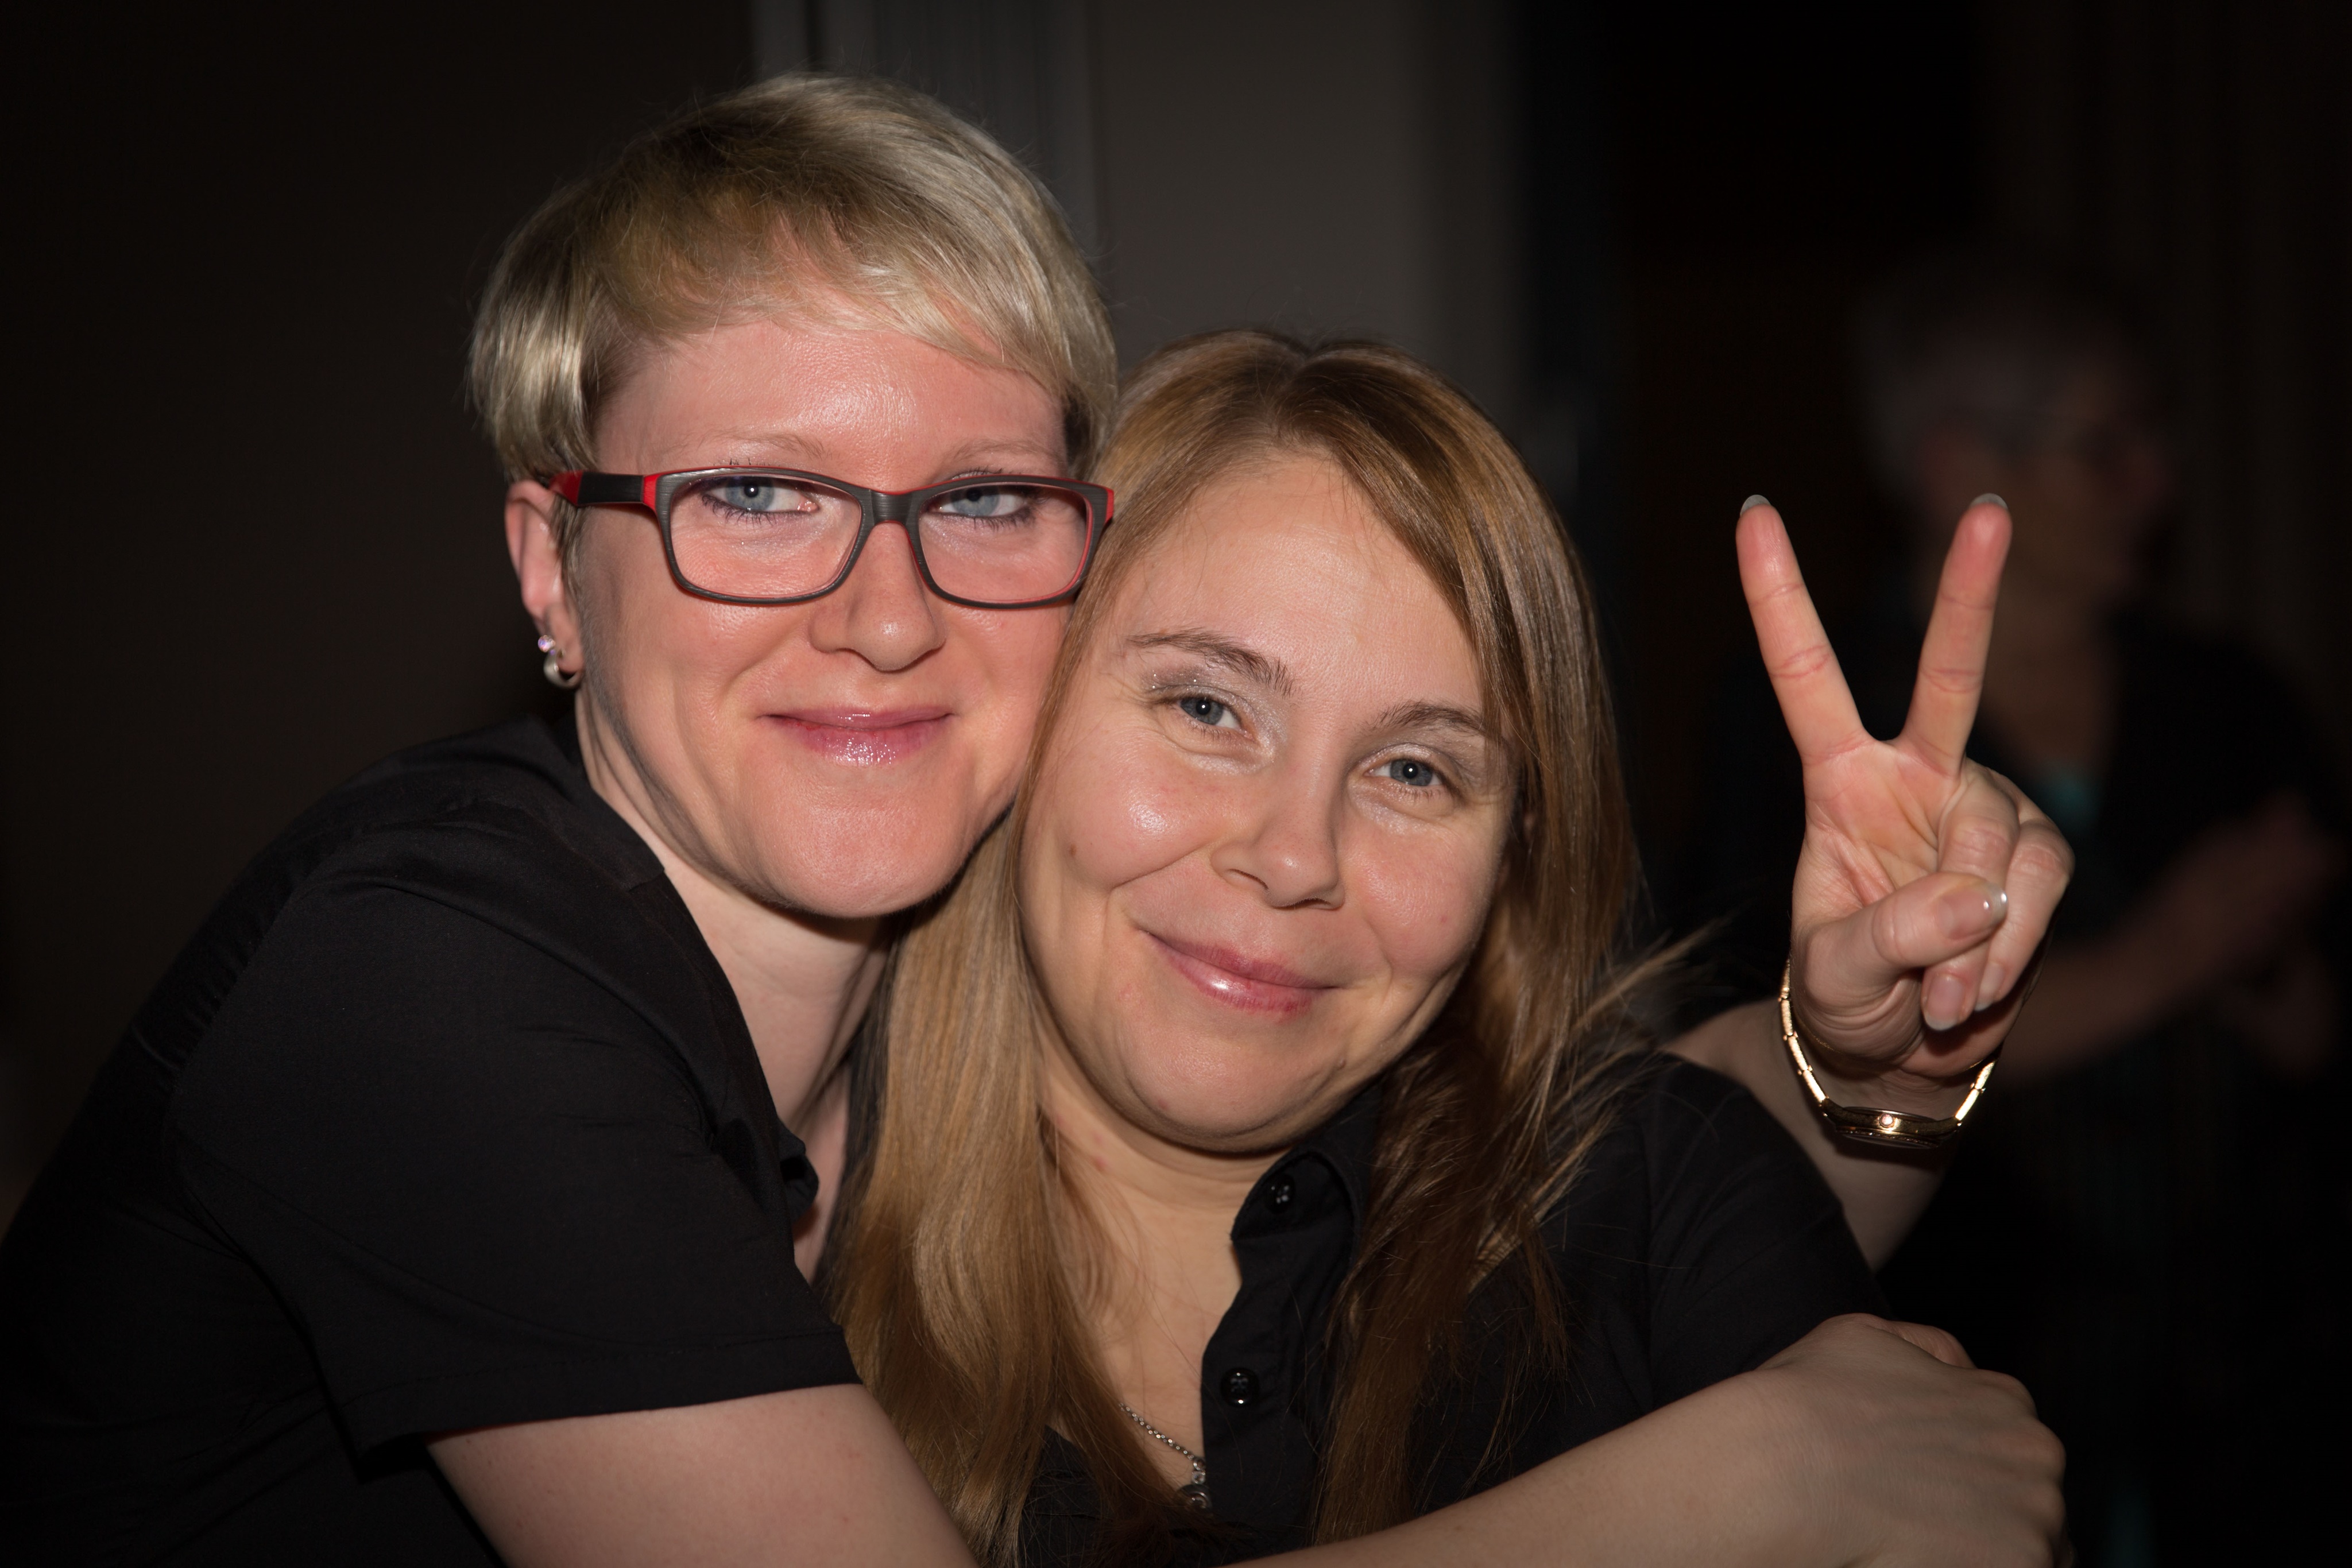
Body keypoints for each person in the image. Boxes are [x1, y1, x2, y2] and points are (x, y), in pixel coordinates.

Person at [1, 79, 2056, 1566]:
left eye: (979, 502)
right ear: (552, 566)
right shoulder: (440, 984)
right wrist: (1743, 1485)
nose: (887, 612)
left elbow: (1619, 1140)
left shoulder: (827, 1092)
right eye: (756, 495)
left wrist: (1869, 1055)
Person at [824, 331, 2069, 1565]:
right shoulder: (772, 1222)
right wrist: (1736, 1484)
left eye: (1414, 771)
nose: (1296, 856)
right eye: (1206, 706)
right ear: (1027, 706)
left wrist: (1885, 1064)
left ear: (1512, 852)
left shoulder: (1652, 1196)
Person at [1680, 251, 2349, 1561]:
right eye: (2106, 446)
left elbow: (2317, 1037)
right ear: (1954, 464)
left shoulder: (2229, 700)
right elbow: (1755, 1078)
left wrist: (2262, 957)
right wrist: (2170, 951)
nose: (2156, 481)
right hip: (1963, 1368)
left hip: (2251, 1395)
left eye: (2155, 437)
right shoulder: (1813, 724)